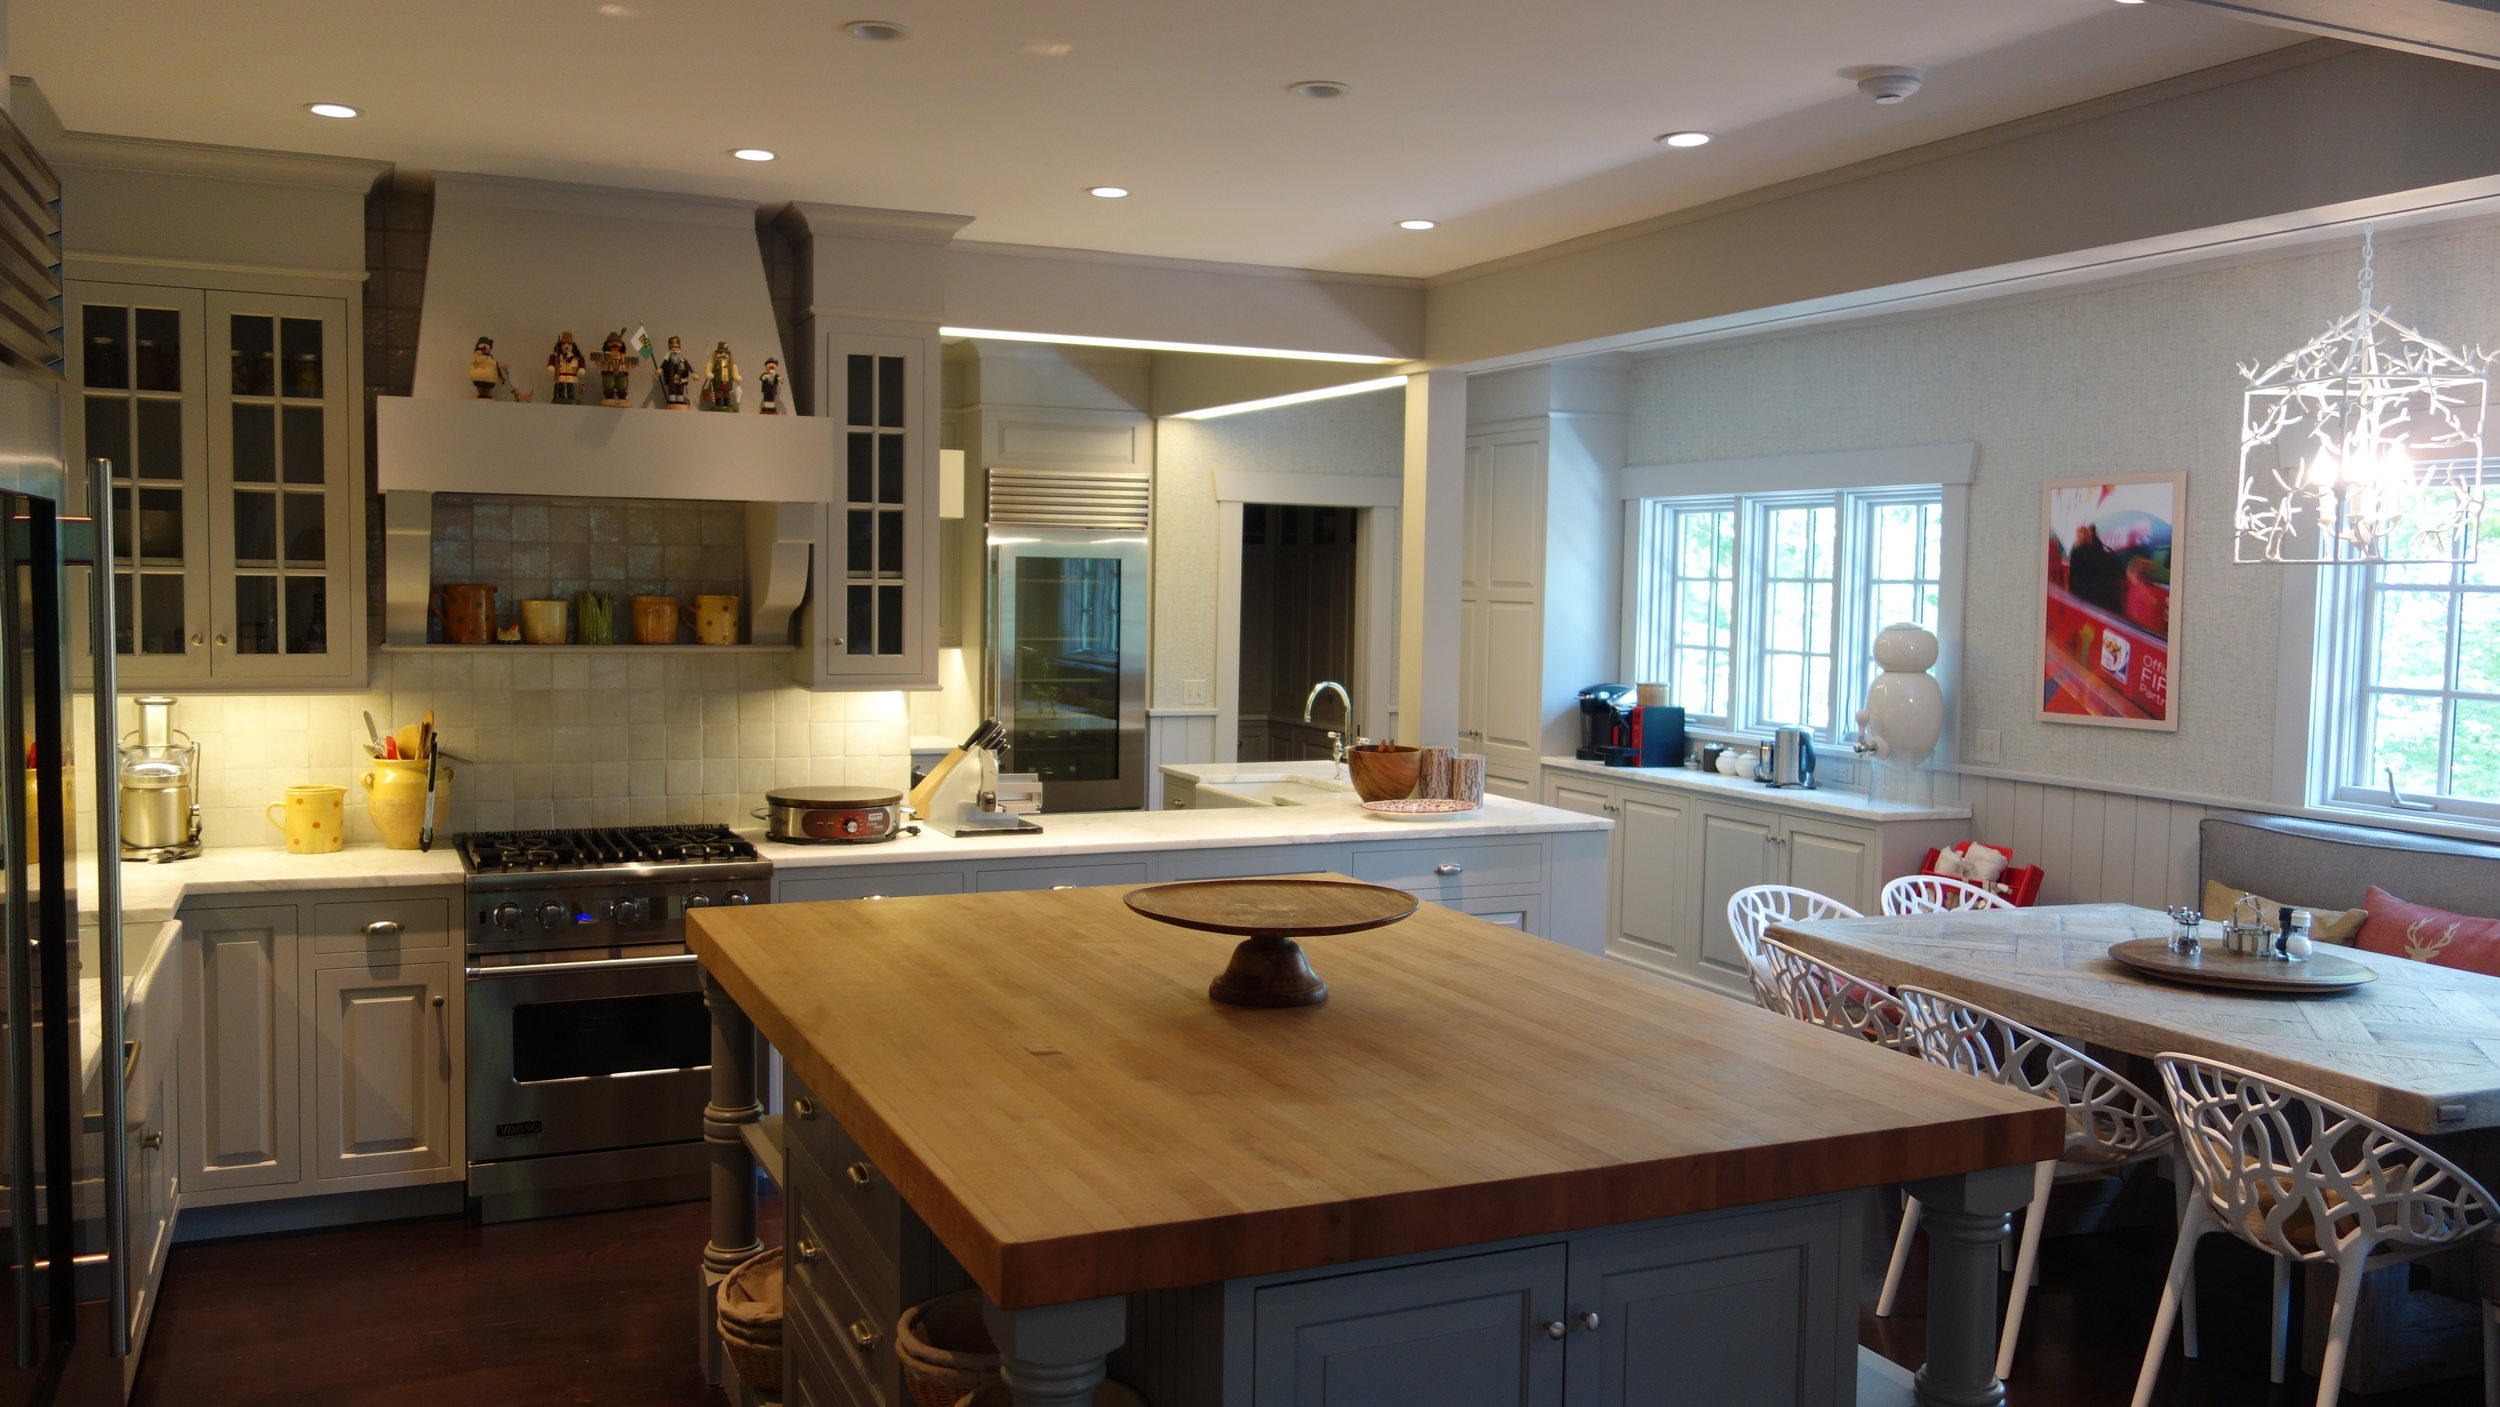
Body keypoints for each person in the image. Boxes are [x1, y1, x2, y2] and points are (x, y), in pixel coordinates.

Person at [2064, 523, 2125, 615]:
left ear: (2078, 538)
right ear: (2090, 537)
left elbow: (2075, 581)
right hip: (2107, 603)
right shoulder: (2106, 555)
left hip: (2086, 602)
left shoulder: (2076, 554)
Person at [2122, 556, 2170, 638]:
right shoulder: (2159, 591)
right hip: (2159, 636)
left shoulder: (2134, 592)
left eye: (2128, 568)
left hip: (2141, 636)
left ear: (2133, 573)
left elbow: (2131, 618)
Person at [547, 332, 588, 405]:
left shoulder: (576, 357)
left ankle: (570, 396)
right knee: (561, 387)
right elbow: (552, 360)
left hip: (571, 375)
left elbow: (581, 362)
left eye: (569, 345)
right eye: (563, 344)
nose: (566, 346)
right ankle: (561, 396)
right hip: (561, 375)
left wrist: (581, 369)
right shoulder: (558, 356)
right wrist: (551, 366)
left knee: (570, 387)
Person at [596, 330, 634, 406]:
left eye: (618, 343)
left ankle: (622, 397)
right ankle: (609, 396)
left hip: (621, 373)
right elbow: (598, 362)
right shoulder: (605, 355)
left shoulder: (623, 356)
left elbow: (630, 364)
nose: (615, 345)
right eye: (611, 343)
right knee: (609, 385)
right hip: (608, 373)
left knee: (622, 386)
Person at [657, 336, 695, 410]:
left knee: (680, 390)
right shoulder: (667, 362)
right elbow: (662, 366)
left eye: (677, 349)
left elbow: (689, 367)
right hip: (671, 379)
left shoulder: (683, 361)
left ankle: (680, 400)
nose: (675, 351)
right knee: (672, 389)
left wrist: (693, 374)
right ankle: (672, 400)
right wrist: (660, 370)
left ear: (679, 350)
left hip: (681, 379)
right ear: (669, 351)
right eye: (673, 350)